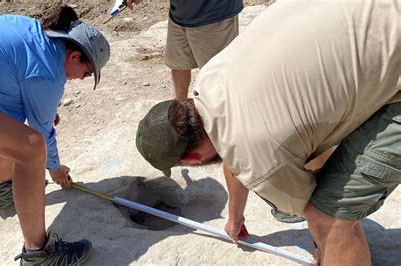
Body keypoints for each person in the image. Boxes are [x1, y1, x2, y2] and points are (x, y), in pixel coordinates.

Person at [135, 0, 400, 265]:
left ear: (191, 159)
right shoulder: (211, 79)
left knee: (328, 217)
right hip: (380, 16)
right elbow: (233, 149)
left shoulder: (261, 161)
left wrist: (327, 247)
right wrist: (235, 215)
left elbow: (315, 215)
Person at [0, 5, 110, 264]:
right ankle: (39, 254)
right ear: (74, 57)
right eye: (87, 72)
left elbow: (10, 99)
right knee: (31, 148)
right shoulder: (48, 72)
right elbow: (41, 133)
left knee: (14, 125)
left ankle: (6, 189)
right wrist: (55, 168)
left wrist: (38, 111)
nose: (82, 78)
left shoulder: (31, 32)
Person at [126, 0, 243, 100]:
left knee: (216, 79)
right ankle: (181, 114)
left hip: (213, 15)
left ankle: (220, 122)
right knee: (179, 65)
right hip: (180, 14)